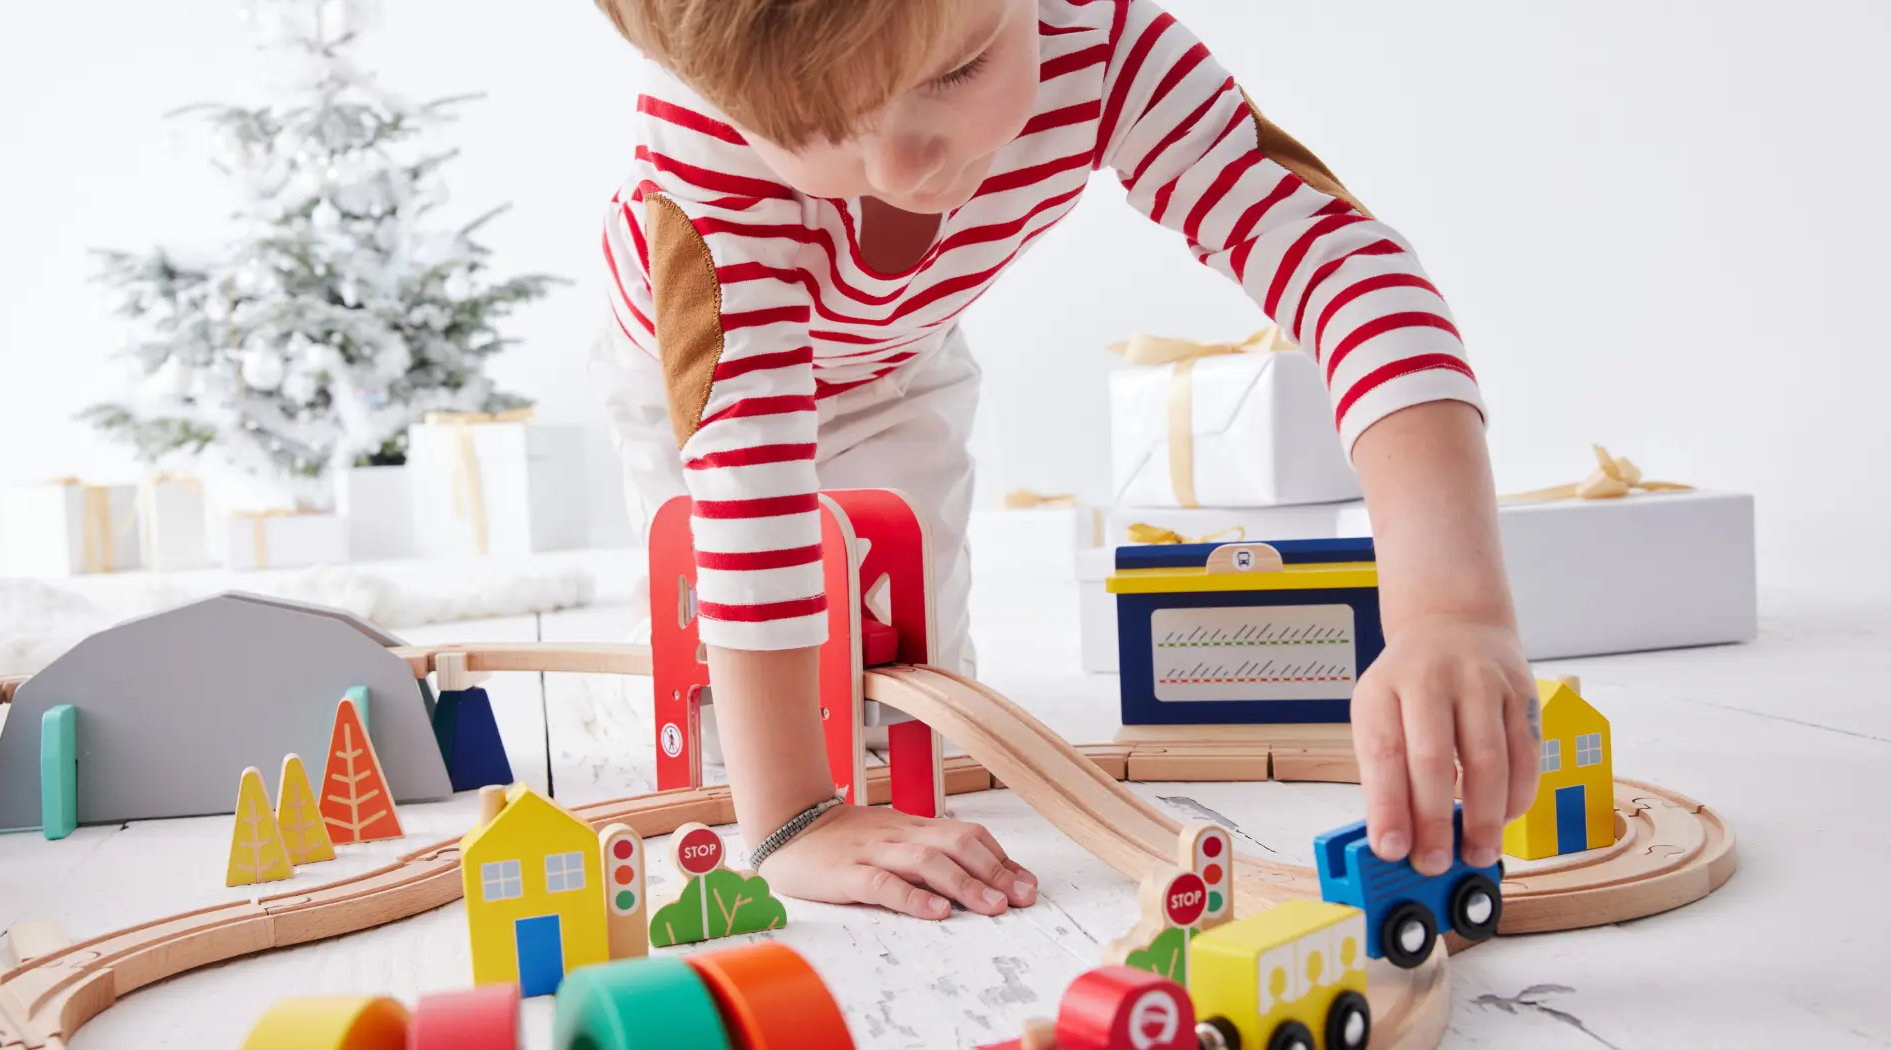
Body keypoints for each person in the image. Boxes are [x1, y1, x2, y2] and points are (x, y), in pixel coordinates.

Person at [587, 0, 1539, 922]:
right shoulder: (702, 150)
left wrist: (1449, 606)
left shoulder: (1099, 38)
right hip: (704, 391)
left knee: (908, 698)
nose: (903, 165)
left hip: (898, 367)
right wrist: (795, 817)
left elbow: (1338, 257)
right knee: (733, 727)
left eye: (957, 72)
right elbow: (748, 457)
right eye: (816, 126)